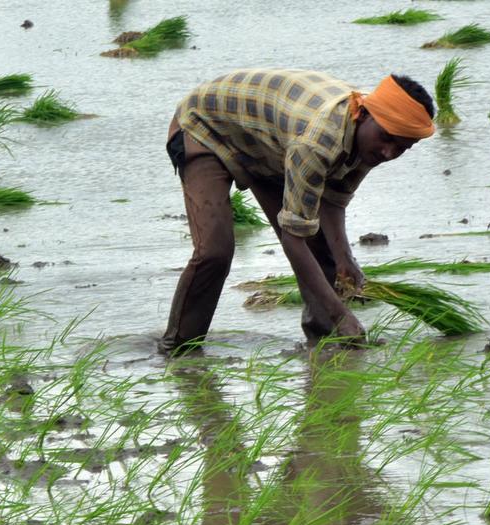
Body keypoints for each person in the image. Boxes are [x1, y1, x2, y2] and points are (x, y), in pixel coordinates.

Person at [160, 68, 436, 354]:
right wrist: (341, 313)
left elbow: (333, 201)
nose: (389, 153)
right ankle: (179, 350)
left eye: (402, 147)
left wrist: (345, 257)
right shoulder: (317, 142)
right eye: (386, 138)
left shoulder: (370, 141)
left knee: (322, 248)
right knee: (215, 251)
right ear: (363, 114)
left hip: (266, 145)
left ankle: (327, 343)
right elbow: (293, 239)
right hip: (205, 126)